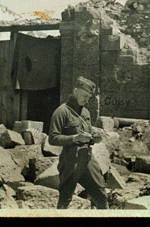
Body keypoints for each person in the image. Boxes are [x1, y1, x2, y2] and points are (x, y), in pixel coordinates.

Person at [48, 76, 108, 209]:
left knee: (102, 196)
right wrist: (74, 138)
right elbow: (52, 138)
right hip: (70, 161)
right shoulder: (61, 112)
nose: (87, 100)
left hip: (87, 158)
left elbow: (88, 134)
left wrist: (94, 138)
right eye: (85, 96)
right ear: (76, 91)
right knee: (65, 198)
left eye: (89, 97)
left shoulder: (86, 112)